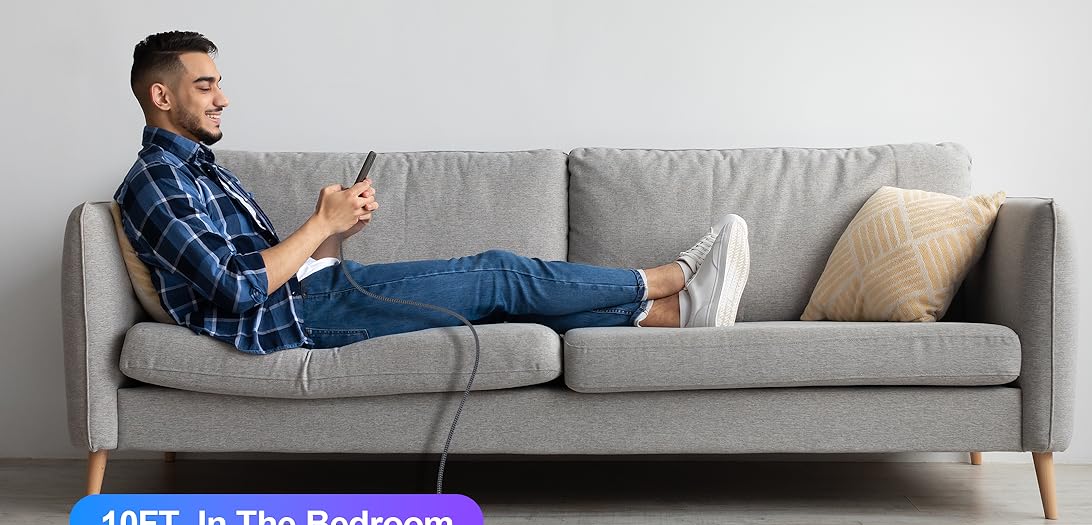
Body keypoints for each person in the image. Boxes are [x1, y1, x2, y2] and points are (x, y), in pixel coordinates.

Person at [115, 31, 749, 355]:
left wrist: (334, 233)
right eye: (205, 86)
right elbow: (234, 288)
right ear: (162, 96)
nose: (223, 97)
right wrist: (315, 225)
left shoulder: (202, 170)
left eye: (220, 82)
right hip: (289, 321)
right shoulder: (155, 182)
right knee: (498, 275)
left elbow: (276, 268)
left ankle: (670, 315)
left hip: (312, 295)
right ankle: (662, 282)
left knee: (505, 299)